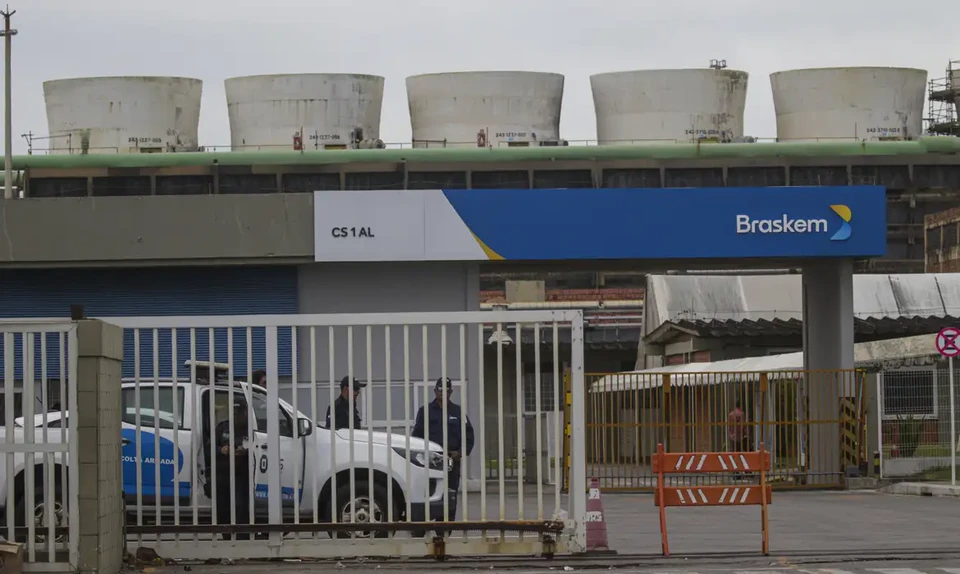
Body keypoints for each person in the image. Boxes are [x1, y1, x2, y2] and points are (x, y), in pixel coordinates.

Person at [412, 377, 475, 525]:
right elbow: (416, 436)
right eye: (440, 390)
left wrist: (461, 453)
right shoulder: (425, 411)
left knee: (450, 494)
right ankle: (424, 526)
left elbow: (468, 435)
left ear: (451, 392)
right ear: (435, 391)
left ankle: (445, 527)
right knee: (428, 493)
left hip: (451, 460)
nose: (443, 393)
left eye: (446, 390)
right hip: (431, 460)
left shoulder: (458, 412)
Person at [215, 399, 252, 540]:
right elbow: (209, 447)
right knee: (223, 508)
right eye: (234, 413)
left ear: (246, 413)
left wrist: (245, 451)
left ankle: (243, 538)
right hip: (223, 474)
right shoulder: (223, 428)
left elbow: (259, 447)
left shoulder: (251, 429)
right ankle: (226, 536)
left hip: (243, 474)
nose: (237, 416)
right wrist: (222, 449)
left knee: (241, 507)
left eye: (240, 413)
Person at [728, 400, 749, 480]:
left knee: (734, 455)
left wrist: (731, 435)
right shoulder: (742, 414)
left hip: (733, 437)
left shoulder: (731, 414)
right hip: (740, 437)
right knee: (742, 455)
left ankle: (735, 472)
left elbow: (729, 427)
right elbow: (744, 425)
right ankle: (744, 470)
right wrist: (746, 434)